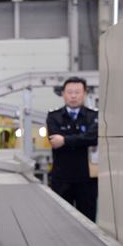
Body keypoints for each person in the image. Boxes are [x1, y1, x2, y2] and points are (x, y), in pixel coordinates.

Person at [46, 77, 98, 222]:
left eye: (77, 92)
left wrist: (65, 140)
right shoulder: (54, 116)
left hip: (87, 180)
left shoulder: (94, 116)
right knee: (60, 221)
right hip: (61, 179)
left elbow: (93, 138)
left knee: (88, 221)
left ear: (84, 94)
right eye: (69, 92)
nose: (73, 96)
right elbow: (54, 141)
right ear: (63, 94)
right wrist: (81, 139)